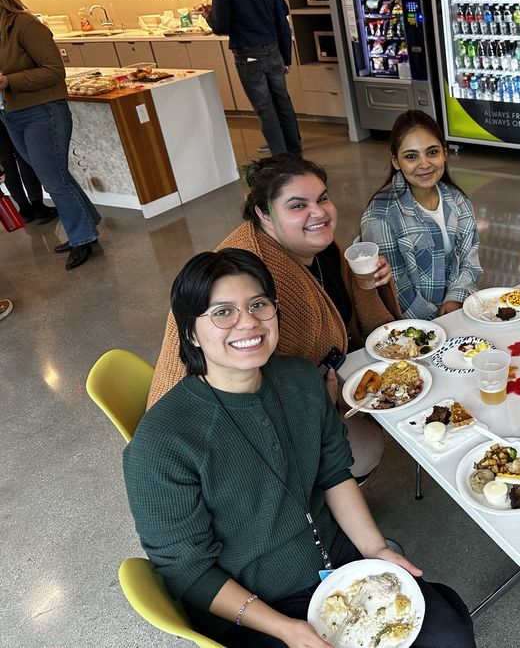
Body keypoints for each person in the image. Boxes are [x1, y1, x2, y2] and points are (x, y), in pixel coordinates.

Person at [124, 249, 475, 648]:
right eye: (222, 312)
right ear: (189, 332)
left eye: (259, 304)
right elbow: (189, 571)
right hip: (255, 607)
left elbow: (334, 473)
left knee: (448, 636)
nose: (248, 322)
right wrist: (286, 629)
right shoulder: (161, 444)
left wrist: (375, 549)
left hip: (338, 564)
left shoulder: (302, 380)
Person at [148, 155, 399, 478]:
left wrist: (367, 282)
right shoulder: (260, 272)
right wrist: (322, 405)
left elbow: (355, 315)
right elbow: (250, 383)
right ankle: (318, 506)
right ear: (264, 215)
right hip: (218, 432)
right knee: (367, 446)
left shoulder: (321, 247)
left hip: (303, 391)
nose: (319, 212)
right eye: (297, 206)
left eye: (322, 198)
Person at [0, 0, 101, 269]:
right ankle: (88, 221)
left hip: (42, 112)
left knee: (53, 179)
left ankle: (82, 238)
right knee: (53, 175)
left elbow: (54, 71)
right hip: (11, 114)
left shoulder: (25, 25)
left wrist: (8, 81)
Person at [360, 110, 481, 320]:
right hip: (413, 329)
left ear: (445, 152)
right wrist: (439, 322)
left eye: (432, 152)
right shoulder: (380, 215)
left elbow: (470, 259)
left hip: (458, 311)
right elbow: (394, 287)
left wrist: (455, 298)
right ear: (396, 161)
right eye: (411, 156)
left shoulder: (458, 200)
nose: (424, 164)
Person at [205, 0, 301, 157]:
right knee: (283, 103)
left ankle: (282, 161)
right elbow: (282, 17)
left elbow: (221, 26)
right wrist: (286, 56)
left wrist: (208, 15)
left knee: (266, 109)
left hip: (249, 55)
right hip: (274, 49)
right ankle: (296, 154)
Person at [0, 122, 57, 224]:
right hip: (8, 109)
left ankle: (24, 209)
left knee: (5, 159)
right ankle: (38, 206)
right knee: (22, 152)